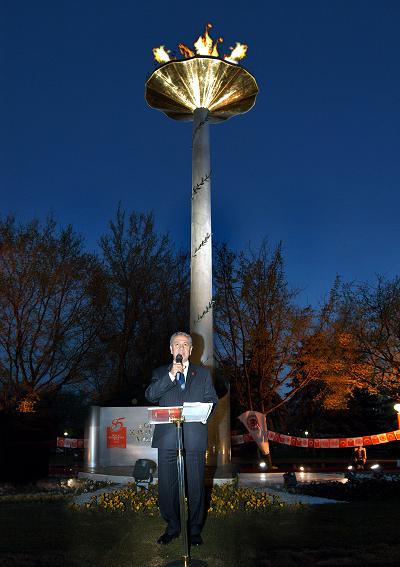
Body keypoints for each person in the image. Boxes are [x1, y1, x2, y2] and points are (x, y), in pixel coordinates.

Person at [145, 332, 218, 547]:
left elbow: (212, 400)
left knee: (195, 486)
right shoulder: (160, 373)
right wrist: (170, 375)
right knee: (167, 488)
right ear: (171, 349)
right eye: (177, 344)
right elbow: (151, 395)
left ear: (191, 350)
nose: (181, 348)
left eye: (185, 344)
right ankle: (172, 527)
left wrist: (204, 414)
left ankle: (194, 530)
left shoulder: (203, 374)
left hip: (194, 437)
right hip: (167, 438)